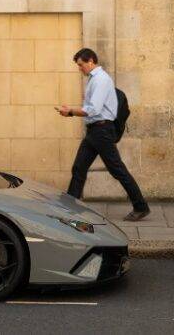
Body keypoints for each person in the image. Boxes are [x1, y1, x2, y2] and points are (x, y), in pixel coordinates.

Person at [57, 48, 150, 221]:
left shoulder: (100, 80)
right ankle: (69, 208)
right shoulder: (94, 80)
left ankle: (141, 206)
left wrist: (70, 111)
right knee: (79, 168)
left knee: (117, 170)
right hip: (95, 131)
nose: (79, 68)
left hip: (101, 131)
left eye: (81, 65)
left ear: (90, 61)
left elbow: (93, 109)